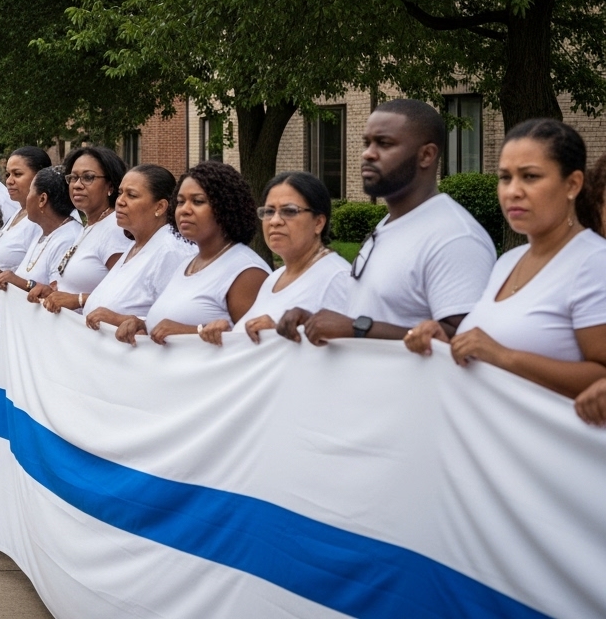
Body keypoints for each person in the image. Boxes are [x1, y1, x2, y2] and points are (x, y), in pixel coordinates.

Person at [403, 119, 606, 398]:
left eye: (530, 176)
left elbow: (601, 378)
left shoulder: (594, 263)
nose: (513, 191)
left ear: (572, 184)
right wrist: (444, 342)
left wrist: (504, 356)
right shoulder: (507, 262)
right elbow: (485, 346)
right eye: (505, 177)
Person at [277, 99, 496, 346]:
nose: (368, 153)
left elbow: (467, 344)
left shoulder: (455, 237)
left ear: (426, 155)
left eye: (384, 143)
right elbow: (374, 316)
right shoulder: (388, 225)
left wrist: (357, 328)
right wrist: (313, 322)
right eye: (367, 143)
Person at [115, 161, 270, 345]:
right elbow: (169, 323)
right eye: (180, 202)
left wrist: (192, 332)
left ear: (225, 206)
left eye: (197, 201)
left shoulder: (246, 272)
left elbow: (260, 343)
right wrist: (141, 324)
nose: (185, 210)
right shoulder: (186, 264)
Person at [200, 171, 353, 346]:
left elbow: (350, 351)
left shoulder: (337, 277)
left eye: (289, 211)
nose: (274, 221)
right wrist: (229, 333)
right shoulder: (274, 279)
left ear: (318, 222)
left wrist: (276, 335)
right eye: (269, 211)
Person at [81, 166, 194, 329]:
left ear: (160, 207)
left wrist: (122, 320)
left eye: (132, 195)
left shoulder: (172, 250)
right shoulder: (137, 244)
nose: (120, 201)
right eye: (120, 193)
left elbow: (177, 323)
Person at [27, 146, 131, 312]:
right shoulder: (90, 225)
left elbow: (126, 293)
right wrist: (51, 292)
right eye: (73, 178)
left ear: (110, 186)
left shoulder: (115, 229)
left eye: (88, 177)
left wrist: (79, 300)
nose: (77, 185)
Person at [0, 168, 81, 293]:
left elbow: (58, 296)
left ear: (42, 199)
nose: (27, 199)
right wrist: (2, 275)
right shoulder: (45, 232)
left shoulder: (68, 238)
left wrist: (22, 283)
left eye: (30, 192)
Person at [0, 147, 49, 286]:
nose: (9, 181)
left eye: (17, 174)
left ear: (39, 177)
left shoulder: (43, 218)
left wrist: (8, 277)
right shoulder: (17, 212)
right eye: (8, 174)